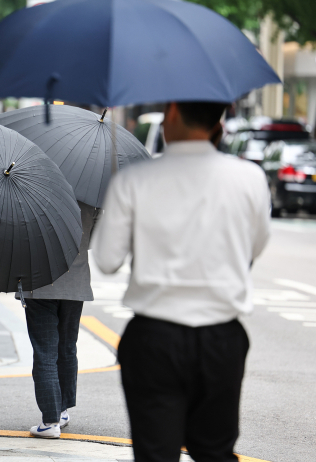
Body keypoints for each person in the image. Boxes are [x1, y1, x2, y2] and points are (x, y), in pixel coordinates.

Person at [93, 101, 271, 462]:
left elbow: (108, 261)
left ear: (172, 113)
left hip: (154, 339)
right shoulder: (250, 177)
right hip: (222, 338)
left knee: (156, 454)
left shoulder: (135, 179)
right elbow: (254, 247)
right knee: (215, 452)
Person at [20, 202, 99, 438]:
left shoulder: (34, 191)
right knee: (66, 347)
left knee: (45, 351)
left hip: (39, 281)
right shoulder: (90, 202)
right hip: (75, 283)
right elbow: (94, 241)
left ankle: (50, 421)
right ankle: (62, 410)